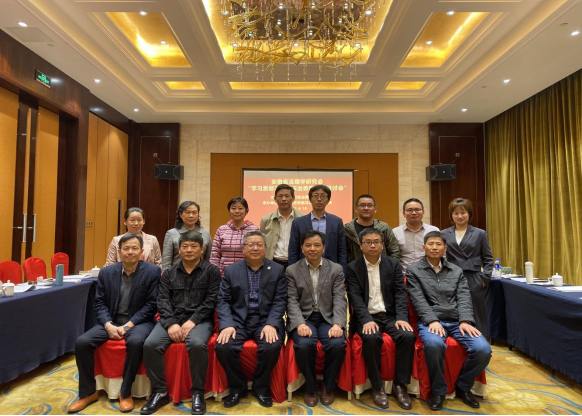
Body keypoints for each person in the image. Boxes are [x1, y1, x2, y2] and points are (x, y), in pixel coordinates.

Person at [68, 234, 160, 414]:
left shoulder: (152, 271)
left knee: (135, 342)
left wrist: (129, 325)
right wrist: (108, 325)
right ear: (119, 251)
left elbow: (152, 305)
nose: (130, 252)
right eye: (126, 248)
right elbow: (100, 303)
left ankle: (125, 392)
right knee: (82, 342)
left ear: (142, 252)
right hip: (112, 321)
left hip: (139, 322)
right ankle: (88, 393)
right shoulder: (107, 272)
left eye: (134, 248)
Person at [406, 231, 492, 412]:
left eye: (438, 244)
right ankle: (438, 391)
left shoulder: (456, 270)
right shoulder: (414, 270)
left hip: (457, 321)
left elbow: (464, 297)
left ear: (445, 248)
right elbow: (418, 299)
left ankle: (464, 386)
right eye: (430, 244)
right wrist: (432, 320)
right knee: (434, 345)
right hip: (430, 322)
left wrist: (465, 320)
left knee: (483, 349)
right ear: (423, 247)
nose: (434, 247)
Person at [141, 231, 221, 415]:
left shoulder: (212, 271)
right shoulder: (169, 273)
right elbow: (162, 300)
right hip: (173, 319)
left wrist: (193, 320)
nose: (189, 250)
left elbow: (211, 300)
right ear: (179, 249)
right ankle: (160, 391)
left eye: (194, 246)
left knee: (197, 344)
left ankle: (198, 392)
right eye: (185, 246)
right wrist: (171, 323)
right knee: (151, 345)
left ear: (202, 249)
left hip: (200, 320)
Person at [215, 231, 287, 409]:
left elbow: (280, 300)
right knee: (223, 346)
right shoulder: (232, 270)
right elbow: (223, 300)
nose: (255, 248)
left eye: (259, 245)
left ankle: (261, 388)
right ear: (243, 249)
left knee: (272, 346)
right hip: (238, 320)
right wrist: (227, 324)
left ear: (265, 248)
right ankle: (237, 388)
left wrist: (271, 323)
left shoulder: (277, 270)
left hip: (265, 320)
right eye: (251, 245)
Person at [346, 229, 416, 410]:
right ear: (361, 246)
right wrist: (366, 320)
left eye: (376, 242)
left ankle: (400, 385)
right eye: (368, 242)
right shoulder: (353, 268)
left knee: (407, 336)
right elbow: (355, 298)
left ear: (382, 245)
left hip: (390, 316)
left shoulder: (392, 264)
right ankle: (377, 387)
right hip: (367, 317)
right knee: (371, 338)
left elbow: (400, 293)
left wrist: (402, 317)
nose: (372, 245)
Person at [286, 230, 347, 407]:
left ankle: (328, 386)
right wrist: (299, 323)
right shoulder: (292, 270)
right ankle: (311, 387)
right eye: (308, 245)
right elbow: (291, 300)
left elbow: (339, 298)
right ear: (302, 248)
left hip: (328, 318)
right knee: (304, 344)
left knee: (337, 344)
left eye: (317, 245)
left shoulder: (335, 269)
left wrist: (338, 323)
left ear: (323, 247)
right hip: (305, 318)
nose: (312, 248)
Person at [442, 198, 494, 335]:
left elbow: (488, 259)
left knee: (476, 311)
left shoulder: (479, 233)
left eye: (463, 212)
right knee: (453, 309)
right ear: (451, 215)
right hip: (451, 276)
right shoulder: (444, 233)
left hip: (473, 277)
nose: (460, 216)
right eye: (456, 213)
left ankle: (479, 340)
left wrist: (484, 279)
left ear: (469, 214)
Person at [288, 185, 348, 273]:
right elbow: (293, 250)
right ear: (310, 199)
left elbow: (342, 250)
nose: (319, 199)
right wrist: (293, 273)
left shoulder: (336, 222)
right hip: (304, 269)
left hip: (331, 270)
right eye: (315, 196)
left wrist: (342, 273)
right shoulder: (298, 222)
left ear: (328, 200)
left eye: (323, 196)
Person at [210, 197, 259, 276]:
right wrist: (215, 274)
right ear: (229, 211)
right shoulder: (221, 229)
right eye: (233, 208)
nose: (237, 211)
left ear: (246, 211)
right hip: (224, 274)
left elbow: (257, 253)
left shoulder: (254, 230)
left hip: (247, 274)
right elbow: (215, 255)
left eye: (240, 208)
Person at [345, 194, 400, 263]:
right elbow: (343, 254)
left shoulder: (384, 228)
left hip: (381, 268)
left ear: (375, 209)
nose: (366, 208)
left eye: (369, 205)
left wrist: (390, 267)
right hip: (355, 268)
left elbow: (394, 251)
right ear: (356, 209)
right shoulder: (347, 229)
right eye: (362, 205)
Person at [260, 184, 304, 269]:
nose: (283, 199)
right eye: (280, 196)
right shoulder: (266, 220)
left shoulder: (302, 219)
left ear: (293, 198)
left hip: (297, 263)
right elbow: (262, 243)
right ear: (275, 199)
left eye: (287, 196)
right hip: (273, 262)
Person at [163, 201, 212, 272]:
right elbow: (166, 261)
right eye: (187, 212)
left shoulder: (205, 233)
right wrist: (166, 275)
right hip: (177, 273)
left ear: (198, 214)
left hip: (201, 273)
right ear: (180, 214)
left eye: (194, 212)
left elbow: (208, 258)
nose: (191, 216)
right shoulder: (171, 233)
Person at [393, 199, 440, 272]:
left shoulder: (433, 230)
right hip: (404, 274)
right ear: (404, 213)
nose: (414, 213)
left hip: (429, 273)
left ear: (423, 212)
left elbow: (441, 253)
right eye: (409, 210)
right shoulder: (395, 232)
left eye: (417, 209)